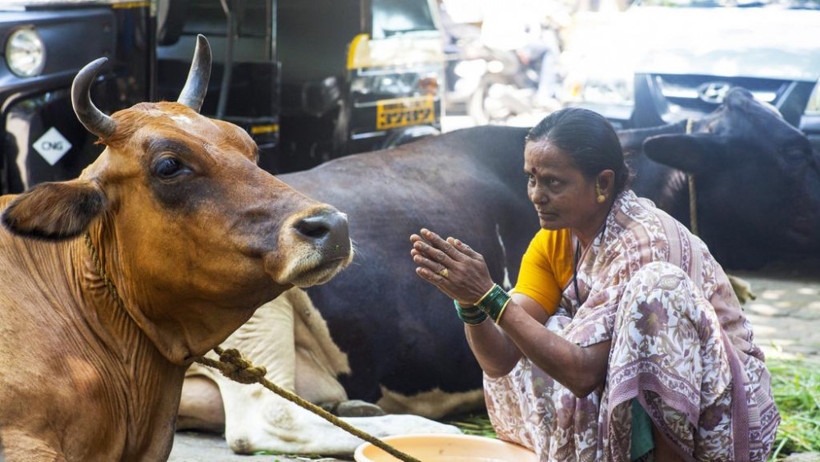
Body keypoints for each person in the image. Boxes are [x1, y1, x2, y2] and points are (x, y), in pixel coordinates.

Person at [409, 107, 779, 461]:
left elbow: (583, 373)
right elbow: (502, 360)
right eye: (531, 178)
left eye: (554, 182)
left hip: (722, 423)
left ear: (603, 183)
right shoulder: (554, 240)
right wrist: (472, 305)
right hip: (623, 407)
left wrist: (491, 296)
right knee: (536, 330)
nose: (536, 194)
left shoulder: (647, 242)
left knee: (657, 288)